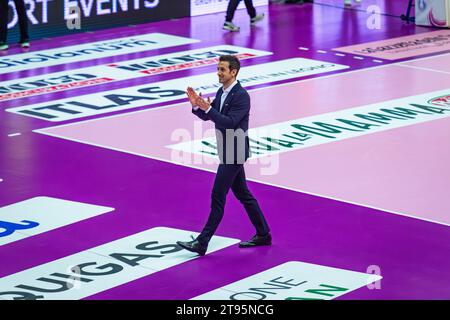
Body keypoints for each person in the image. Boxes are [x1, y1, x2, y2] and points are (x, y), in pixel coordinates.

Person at [176, 55, 271, 256]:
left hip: (234, 152)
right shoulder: (222, 92)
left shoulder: (242, 96)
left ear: (233, 72)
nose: (218, 73)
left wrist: (208, 108)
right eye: (218, 69)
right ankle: (263, 234)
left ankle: (202, 242)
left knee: (218, 195)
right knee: (243, 194)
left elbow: (229, 122)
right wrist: (196, 106)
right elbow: (211, 115)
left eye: (222, 70)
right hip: (226, 150)